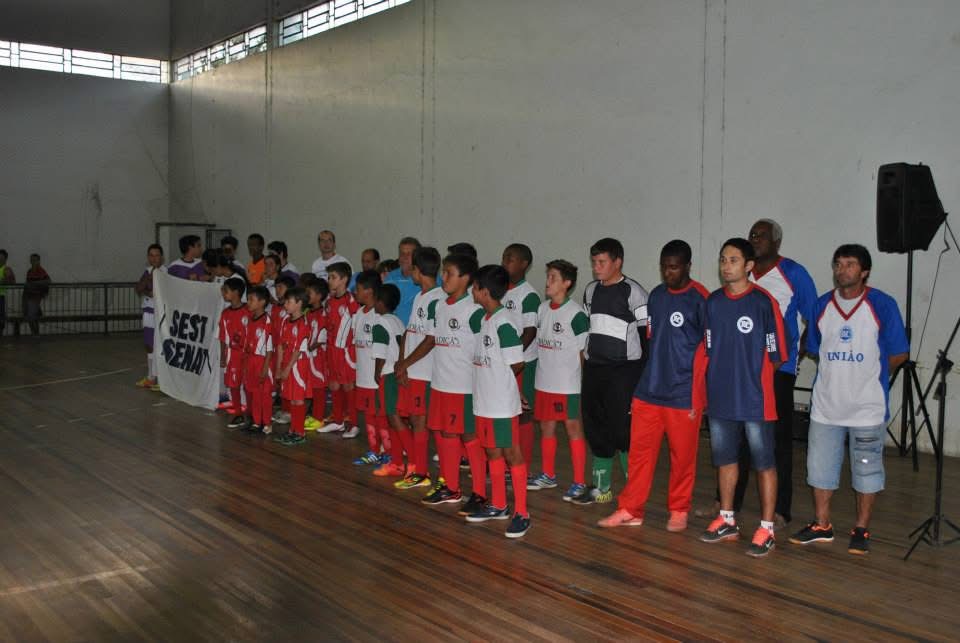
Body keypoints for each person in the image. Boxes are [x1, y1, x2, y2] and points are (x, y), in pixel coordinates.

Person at [789, 244, 908, 555]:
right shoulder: (821, 306)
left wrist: (870, 376)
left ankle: (861, 528)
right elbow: (814, 346)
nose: (842, 270)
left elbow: (899, 353)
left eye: (850, 264)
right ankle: (821, 524)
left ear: (865, 271)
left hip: (867, 408)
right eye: (838, 264)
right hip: (827, 406)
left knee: (867, 470)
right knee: (818, 468)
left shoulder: (882, 305)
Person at [598, 241, 708, 532]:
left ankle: (679, 509)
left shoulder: (700, 299)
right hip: (649, 391)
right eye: (664, 267)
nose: (667, 272)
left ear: (687, 266)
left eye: (673, 267)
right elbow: (651, 344)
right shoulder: (657, 296)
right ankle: (631, 509)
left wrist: (697, 396)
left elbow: (709, 352)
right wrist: (639, 388)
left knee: (682, 458)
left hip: (683, 395)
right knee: (639, 455)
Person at [715, 220, 819, 527]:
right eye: (751, 235)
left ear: (776, 242)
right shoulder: (741, 278)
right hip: (737, 370)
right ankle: (727, 505)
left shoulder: (794, 274)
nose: (754, 238)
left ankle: (779, 509)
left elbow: (813, 316)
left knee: (774, 441)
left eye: (761, 235)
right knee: (734, 440)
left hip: (776, 370)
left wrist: (796, 354)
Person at [700, 238, 787, 558]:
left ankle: (766, 528)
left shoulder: (764, 303)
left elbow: (778, 355)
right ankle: (726, 519)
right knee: (725, 460)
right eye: (723, 259)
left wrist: (753, 378)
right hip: (721, 399)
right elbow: (710, 348)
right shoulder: (712, 302)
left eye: (734, 260)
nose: (726, 265)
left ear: (749, 266)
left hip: (755, 400)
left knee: (764, 463)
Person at [572, 238, 648, 505]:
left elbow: (646, 337)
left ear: (618, 262)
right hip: (595, 370)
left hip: (624, 372)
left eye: (602, 262)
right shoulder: (591, 290)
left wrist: (642, 378)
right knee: (596, 429)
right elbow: (590, 331)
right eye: (594, 262)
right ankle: (601, 488)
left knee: (623, 432)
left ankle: (633, 493)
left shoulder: (634, 292)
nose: (596, 267)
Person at [464, 265, 530, 538]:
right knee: (491, 451)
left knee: (511, 453)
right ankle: (499, 505)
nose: (472, 291)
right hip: (484, 402)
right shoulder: (485, 319)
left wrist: (507, 389)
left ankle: (522, 512)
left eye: (475, 287)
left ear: (485, 291)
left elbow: (516, 363)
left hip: (501, 404)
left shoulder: (504, 324)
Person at [421, 253, 487, 509]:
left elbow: (485, 349)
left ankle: (480, 493)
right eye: (443, 272)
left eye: (449, 273)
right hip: (440, 383)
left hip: (464, 387)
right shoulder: (439, 305)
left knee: (470, 437)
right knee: (445, 433)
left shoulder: (474, 311)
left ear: (466, 278)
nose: (443, 277)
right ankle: (451, 487)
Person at [529, 259, 590, 500]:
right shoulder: (542, 309)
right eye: (548, 276)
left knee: (573, 428)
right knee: (546, 426)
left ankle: (579, 482)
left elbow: (582, 353)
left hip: (567, 385)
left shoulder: (575, 314)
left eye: (553, 278)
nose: (548, 282)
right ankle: (548, 475)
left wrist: (578, 383)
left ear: (567, 283)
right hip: (544, 381)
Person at [393, 247, 445, 490]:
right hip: (413, 370)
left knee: (428, 422)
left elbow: (431, 339)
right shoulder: (421, 296)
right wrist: (401, 363)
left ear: (418, 270)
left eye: (411, 267)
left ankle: (438, 473)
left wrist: (406, 363)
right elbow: (409, 332)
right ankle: (421, 471)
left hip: (426, 372)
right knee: (417, 420)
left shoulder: (437, 299)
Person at [501, 243, 541, 482]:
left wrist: (509, 355)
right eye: (504, 257)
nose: (505, 262)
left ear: (524, 264)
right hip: (501, 364)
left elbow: (529, 332)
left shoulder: (529, 296)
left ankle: (521, 467)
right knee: (504, 412)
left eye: (511, 259)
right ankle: (507, 464)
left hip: (522, 363)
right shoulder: (498, 290)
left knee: (523, 415)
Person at [351, 270, 388, 466]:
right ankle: (373, 450)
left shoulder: (379, 316)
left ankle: (387, 451)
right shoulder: (358, 313)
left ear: (369, 291)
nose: (354, 292)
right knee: (368, 415)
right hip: (362, 376)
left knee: (380, 415)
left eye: (357, 289)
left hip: (375, 378)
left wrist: (378, 372)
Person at [319, 262, 360, 437]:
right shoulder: (328, 302)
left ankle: (354, 423)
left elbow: (357, 325)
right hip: (331, 350)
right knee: (334, 385)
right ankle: (338, 421)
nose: (329, 280)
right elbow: (326, 324)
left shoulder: (351, 301)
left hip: (346, 351)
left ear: (344, 280)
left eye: (333, 277)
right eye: (329, 277)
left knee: (348, 386)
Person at [372, 283, 407, 477]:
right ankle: (397, 462)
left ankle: (413, 464)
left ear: (380, 302)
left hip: (387, 374)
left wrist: (377, 372)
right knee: (394, 420)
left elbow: (380, 353)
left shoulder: (380, 323)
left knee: (394, 419)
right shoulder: (398, 321)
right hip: (398, 373)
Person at [273, 287, 312, 445]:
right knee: (290, 398)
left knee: (298, 399)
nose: (285, 305)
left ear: (299, 304)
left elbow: (297, 350)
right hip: (286, 364)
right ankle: (292, 430)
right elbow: (281, 346)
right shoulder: (285, 321)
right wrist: (278, 367)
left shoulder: (303, 324)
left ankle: (299, 432)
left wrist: (288, 367)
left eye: (289, 302)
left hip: (297, 366)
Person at [243, 285, 274, 435]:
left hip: (263, 361)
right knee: (254, 393)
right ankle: (256, 421)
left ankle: (267, 423)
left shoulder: (267, 321)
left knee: (264, 394)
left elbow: (269, 348)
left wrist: (265, 368)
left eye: (251, 299)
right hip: (251, 361)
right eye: (248, 299)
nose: (248, 302)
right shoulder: (249, 319)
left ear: (262, 302)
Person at [135, 244, 166, 389]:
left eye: (157, 255)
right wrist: (148, 287)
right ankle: (150, 376)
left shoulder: (166, 272)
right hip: (148, 310)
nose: (154, 258)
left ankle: (161, 378)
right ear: (148, 257)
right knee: (149, 344)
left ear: (162, 257)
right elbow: (139, 288)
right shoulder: (147, 272)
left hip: (161, 312)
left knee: (160, 344)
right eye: (151, 255)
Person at [220, 278, 250, 428]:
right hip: (233, 355)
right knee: (234, 384)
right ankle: (238, 413)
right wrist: (223, 356)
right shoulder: (225, 314)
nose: (223, 293)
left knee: (249, 384)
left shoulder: (248, 311)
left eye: (226, 290)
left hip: (248, 355)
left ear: (236, 293)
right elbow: (223, 337)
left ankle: (252, 413)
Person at [305, 278, 330, 431]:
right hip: (310, 356)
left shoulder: (323, 314)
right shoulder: (308, 313)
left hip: (318, 356)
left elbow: (321, 337)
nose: (307, 296)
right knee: (313, 387)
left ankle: (319, 418)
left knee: (319, 387)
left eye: (310, 293)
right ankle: (314, 415)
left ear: (319, 296)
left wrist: (309, 347)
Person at [384, 237, 422, 325]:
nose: (404, 257)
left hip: (416, 333)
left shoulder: (426, 278)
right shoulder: (391, 277)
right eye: (402, 253)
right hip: (392, 331)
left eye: (409, 254)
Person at [23, 254, 51, 336]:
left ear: (39, 261)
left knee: (31, 315)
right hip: (29, 296)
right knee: (33, 316)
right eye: (31, 260)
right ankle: (35, 333)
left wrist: (34, 283)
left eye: (35, 260)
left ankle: (35, 334)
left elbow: (48, 281)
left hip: (36, 296)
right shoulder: (29, 271)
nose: (33, 262)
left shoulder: (41, 270)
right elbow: (27, 284)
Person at [0, 249, 15, 336]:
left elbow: (12, 281)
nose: (0, 260)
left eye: (2, 258)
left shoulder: (6, 269)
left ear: (5, 259)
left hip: (0, 297)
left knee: (1, 319)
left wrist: (5, 281)